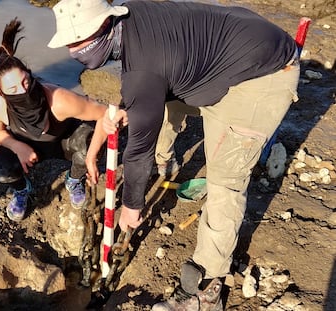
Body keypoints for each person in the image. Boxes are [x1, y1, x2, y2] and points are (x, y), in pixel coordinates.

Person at [47, 1, 300, 310]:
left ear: (104, 25)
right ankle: (165, 163)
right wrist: (126, 117)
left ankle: (207, 285)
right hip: (228, 50)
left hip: (262, 74)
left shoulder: (143, 67)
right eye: (69, 43)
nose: (74, 50)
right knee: (161, 106)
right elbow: (146, 86)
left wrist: (131, 204)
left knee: (225, 179)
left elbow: (139, 146)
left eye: (79, 40)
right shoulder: (129, 17)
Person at [0, 18, 110, 222]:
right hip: (27, 146)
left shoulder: (58, 99)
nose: (24, 90)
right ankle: (22, 189)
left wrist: (91, 156)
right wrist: (16, 147)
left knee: (90, 145)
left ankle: (74, 179)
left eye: (25, 81)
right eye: (13, 89)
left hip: (65, 140)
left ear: (30, 73)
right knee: (1, 168)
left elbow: (104, 113)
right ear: (1, 92)